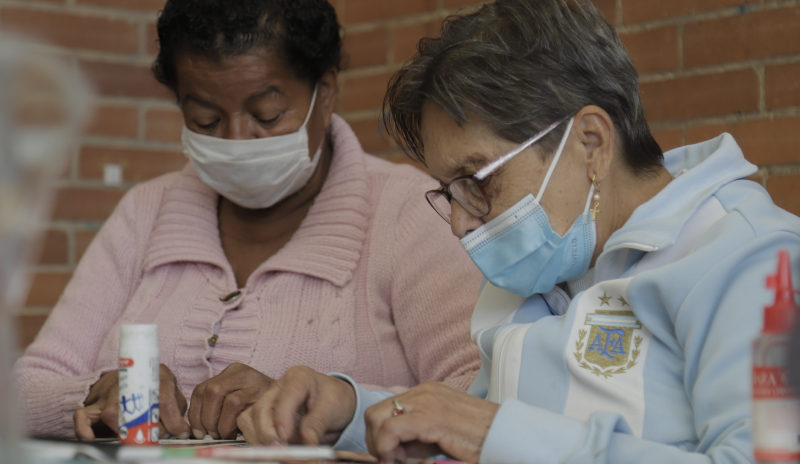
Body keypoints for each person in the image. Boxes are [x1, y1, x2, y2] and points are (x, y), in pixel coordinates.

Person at [236, 0, 800, 462]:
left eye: (477, 180)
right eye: (448, 191)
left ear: (592, 144)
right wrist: (349, 411)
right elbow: (464, 428)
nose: (461, 223)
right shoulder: (539, 269)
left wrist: (499, 436)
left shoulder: (750, 260)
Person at [13, 0, 483, 441]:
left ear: (326, 92)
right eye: (205, 120)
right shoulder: (144, 213)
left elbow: (482, 399)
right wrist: (100, 393)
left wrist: (329, 408)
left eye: (267, 115)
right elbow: (22, 390)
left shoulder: (409, 212)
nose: (238, 140)